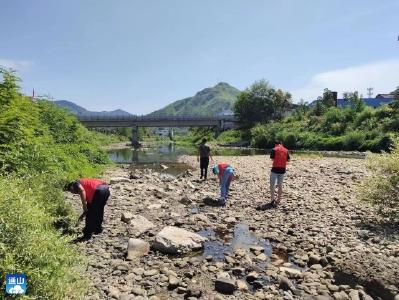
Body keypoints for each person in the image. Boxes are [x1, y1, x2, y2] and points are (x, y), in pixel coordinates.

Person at [269, 141, 290, 206]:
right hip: (282, 169)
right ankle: (278, 200)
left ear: (275, 144)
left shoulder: (274, 149)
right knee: (280, 185)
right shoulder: (286, 150)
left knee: (272, 184)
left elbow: (272, 159)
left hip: (275, 169)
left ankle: (272, 199)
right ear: (281, 144)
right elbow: (288, 160)